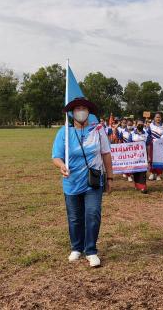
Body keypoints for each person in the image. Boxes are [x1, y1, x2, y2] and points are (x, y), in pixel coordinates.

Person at [51, 97, 114, 267]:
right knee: (75, 218)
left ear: (88, 112)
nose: (80, 111)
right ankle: (76, 247)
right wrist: (62, 165)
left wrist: (109, 177)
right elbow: (56, 156)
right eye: (77, 108)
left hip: (93, 182)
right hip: (71, 181)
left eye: (84, 108)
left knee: (92, 214)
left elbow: (106, 154)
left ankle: (91, 250)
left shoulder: (98, 131)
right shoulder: (64, 132)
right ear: (72, 113)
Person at [126, 119, 151, 194]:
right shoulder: (132, 134)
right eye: (139, 124)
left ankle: (143, 187)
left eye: (141, 124)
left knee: (143, 171)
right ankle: (137, 184)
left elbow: (148, 146)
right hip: (134, 156)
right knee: (136, 171)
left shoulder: (146, 134)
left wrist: (149, 156)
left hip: (143, 156)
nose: (140, 125)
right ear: (136, 125)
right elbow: (128, 145)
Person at [147, 112, 163, 181]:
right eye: (157, 117)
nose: (158, 118)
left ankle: (158, 174)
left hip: (161, 146)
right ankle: (152, 173)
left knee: (160, 160)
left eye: (159, 117)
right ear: (154, 118)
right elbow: (148, 136)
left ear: (161, 118)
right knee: (152, 159)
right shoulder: (150, 126)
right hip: (152, 145)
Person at [121, 118, 136, 182]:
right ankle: (128, 175)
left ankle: (131, 173)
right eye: (128, 124)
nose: (129, 125)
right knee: (127, 162)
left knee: (132, 162)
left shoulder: (135, 131)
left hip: (134, 149)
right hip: (125, 149)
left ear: (133, 124)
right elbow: (120, 140)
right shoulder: (123, 131)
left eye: (131, 124)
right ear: (126, 124)